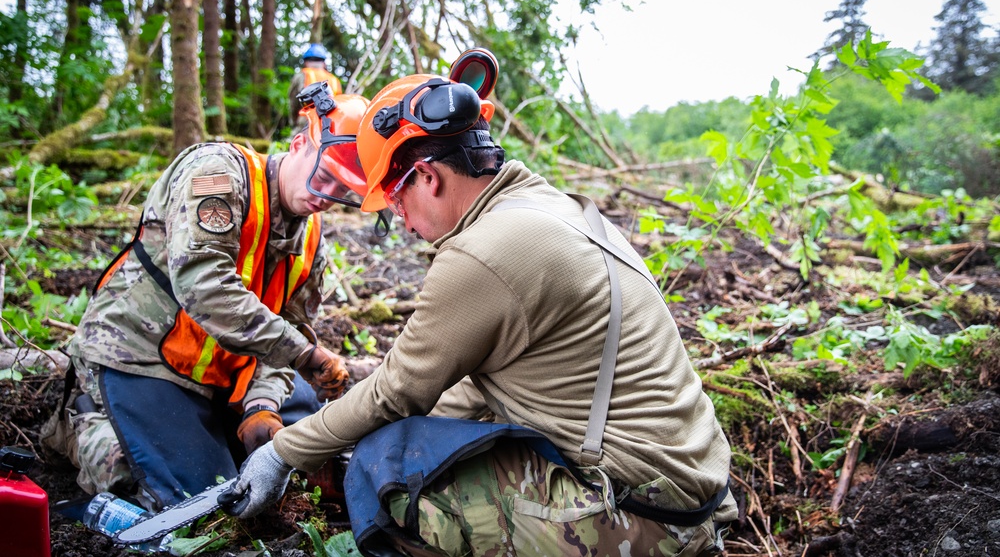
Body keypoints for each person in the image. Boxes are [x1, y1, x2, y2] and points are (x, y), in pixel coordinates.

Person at [230, 52, 737, 556]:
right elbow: (468, 390)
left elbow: (395, 392)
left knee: (387, 476)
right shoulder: (548, 207)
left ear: (427, 177)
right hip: (693, 490)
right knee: (415, 441)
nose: (403, 222)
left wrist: (284, 453)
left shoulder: (481, 254)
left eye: (397, 203)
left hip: (643, 513)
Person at [43, 84, 371, 512]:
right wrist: (304, 354)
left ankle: (226, 426)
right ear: (298, 145)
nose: (323, 196)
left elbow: (294, 330)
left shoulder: (310, 240)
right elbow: (205, 286)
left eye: (341, 190)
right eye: (322, 175)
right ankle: (83, 424)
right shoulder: (219, 173)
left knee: (308, 440)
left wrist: (262, 406)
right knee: (196, 504)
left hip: (221, 376)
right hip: (141, 360)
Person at [288, 43, 343, 128]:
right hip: (334, 125)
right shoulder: (334, 80)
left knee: (295, 140)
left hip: (308, 123)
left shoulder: (302, 75)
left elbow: (293, 102)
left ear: (306, 62)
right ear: (324, 63)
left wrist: (294, 122)